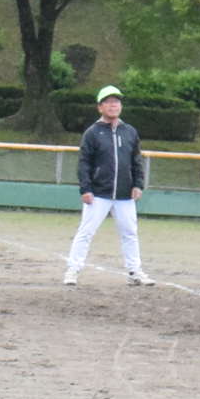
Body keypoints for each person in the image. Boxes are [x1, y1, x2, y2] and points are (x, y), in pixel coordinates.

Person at [64, 85, 155, 287]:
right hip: (98, 193)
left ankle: (134, 272)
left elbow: (136, 160)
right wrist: (85, 188)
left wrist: (138, 184)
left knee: (130, 233)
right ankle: (73, 270)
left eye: (117, 101)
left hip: (124, 194)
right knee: (86, 232)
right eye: (109, 102)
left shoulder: (129, 131)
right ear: (100, 107)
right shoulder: (92, 133)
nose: (114, 105)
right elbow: (84, 162)